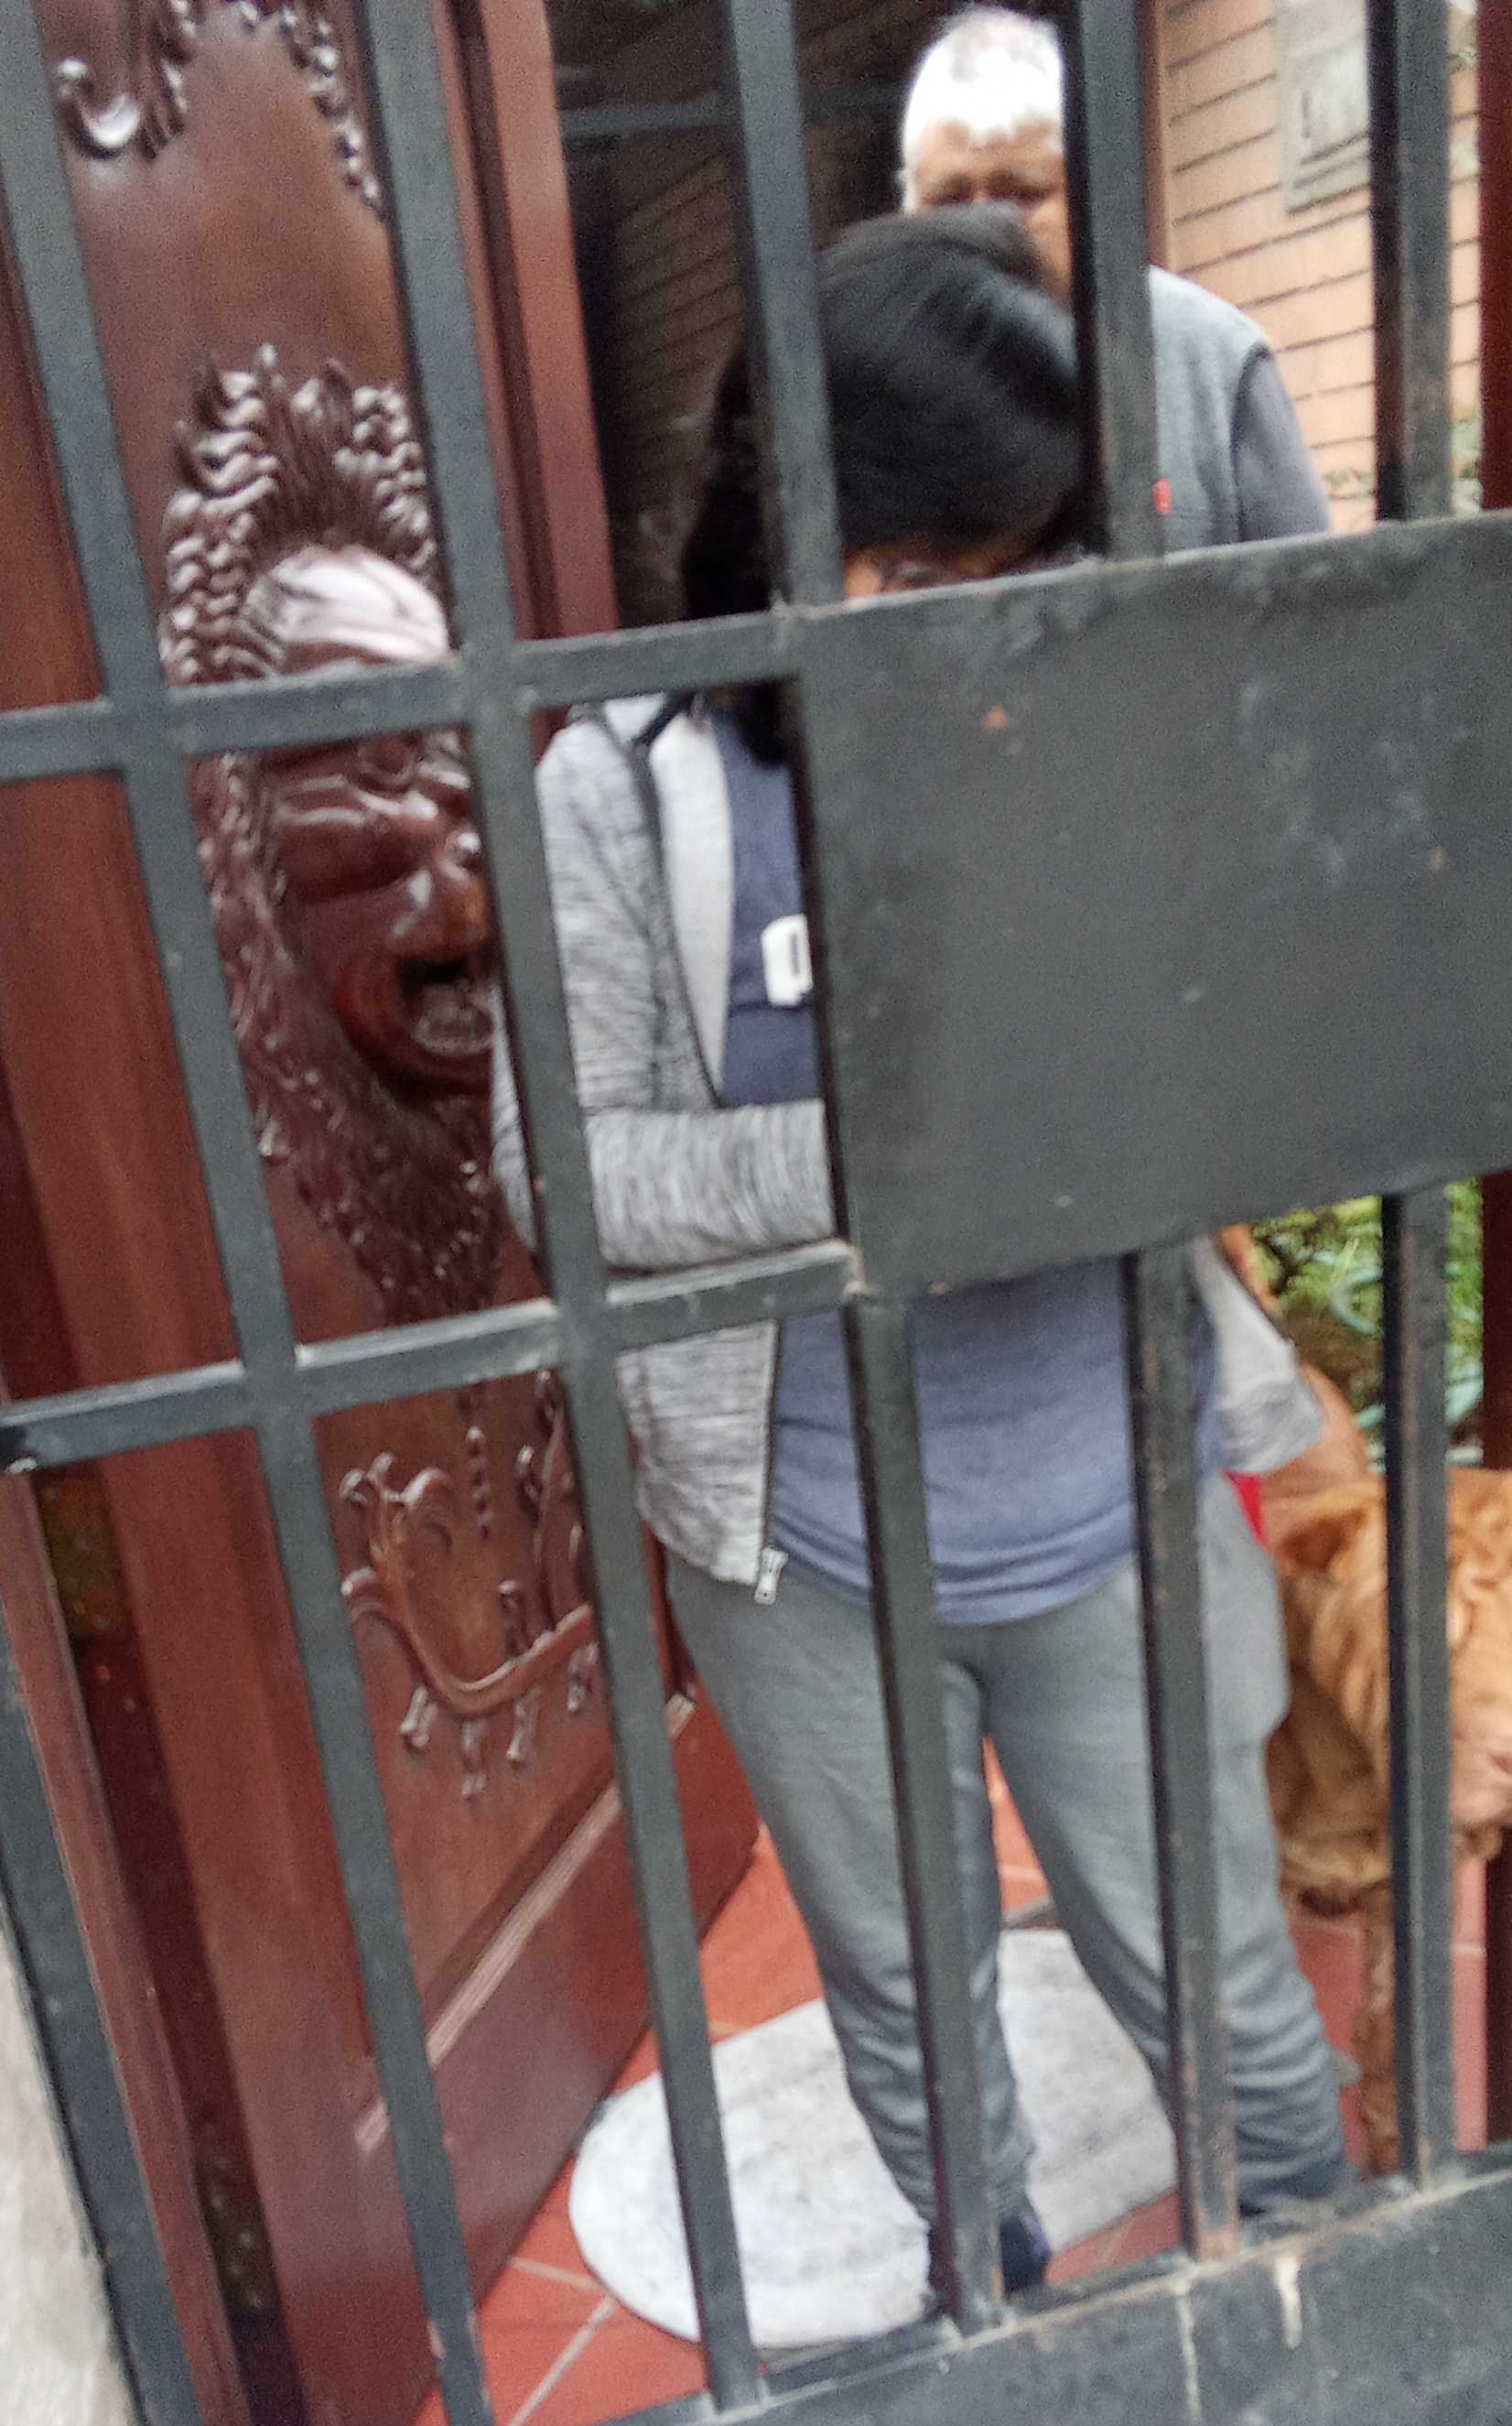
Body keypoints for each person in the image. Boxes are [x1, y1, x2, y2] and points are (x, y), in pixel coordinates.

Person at [492, 209, 1350, 2307]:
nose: (984, 620)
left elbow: (1267, 1044)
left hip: (1112, 1502)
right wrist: (886, 1162)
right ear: (806, 524)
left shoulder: (1099, 715)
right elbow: (565, 1175)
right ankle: (998, 2313)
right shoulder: (634, 786)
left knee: (1221, 1976)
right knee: (911, 2005)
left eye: (1019, 562)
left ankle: (1326, 2309)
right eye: (930, 572)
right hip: (807, 1551)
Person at [901, 7, 1332, 551]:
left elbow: (1316, 589)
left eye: (1022, 194)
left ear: (1088, 193)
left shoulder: (1212, 360)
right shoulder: (873, 371)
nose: (981, 226)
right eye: (948, 200)